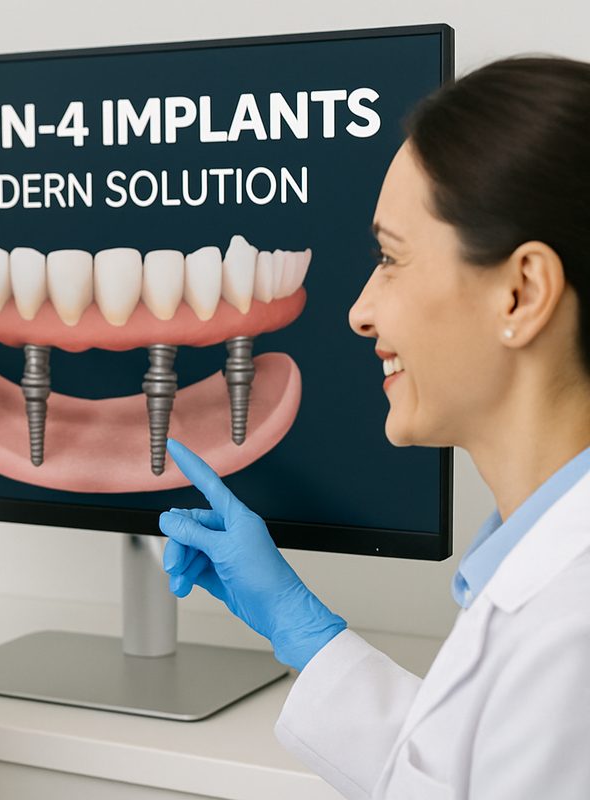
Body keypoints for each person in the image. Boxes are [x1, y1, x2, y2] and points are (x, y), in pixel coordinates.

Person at [159, 56, 590, 800]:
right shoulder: (544, 585)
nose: (360, 311)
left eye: (389, 259)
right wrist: (305, 634)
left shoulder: (572, 635)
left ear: (521, 293)